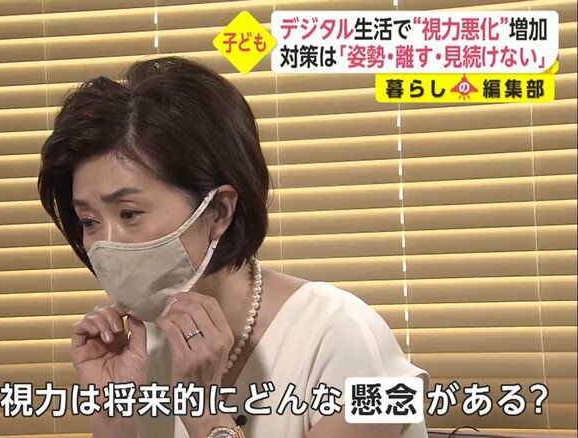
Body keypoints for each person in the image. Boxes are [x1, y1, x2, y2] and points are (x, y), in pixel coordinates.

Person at [38, 55, 429, 438]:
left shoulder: (352, 336)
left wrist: (205, 414)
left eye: (129, 213)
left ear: (219, 211)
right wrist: (113, 415)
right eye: (89, 221)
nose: (105, 244)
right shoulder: (136, 349)